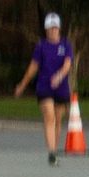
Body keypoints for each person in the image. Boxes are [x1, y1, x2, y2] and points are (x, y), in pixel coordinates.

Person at [13, 12, 76, 165]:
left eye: (55, 28)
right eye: (50, 28)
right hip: (44, 86)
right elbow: (33, 67)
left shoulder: (65, 44)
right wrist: (22, 84)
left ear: (59, 29)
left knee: (58, 118)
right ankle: (52, 154)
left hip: (61, 87)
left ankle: (54, 147)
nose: (53, 31)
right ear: (46, 30)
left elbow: (68, 64)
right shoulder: (41, 46)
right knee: (49, 116)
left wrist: (60, 76)